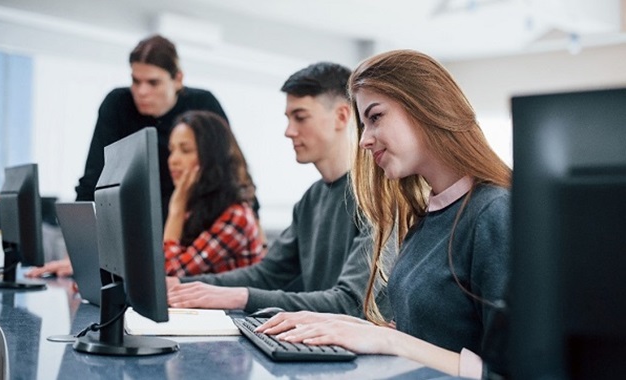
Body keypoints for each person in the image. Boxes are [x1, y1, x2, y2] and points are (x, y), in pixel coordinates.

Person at [254, 50, 512, 379]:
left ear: (425, 107)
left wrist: (388, 340)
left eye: (375, 117)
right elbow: (423, 337)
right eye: (363, 124)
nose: (364, 140)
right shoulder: (427, 216)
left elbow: (510, 373)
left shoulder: (494, 213)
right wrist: (338, 324)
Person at [26, 34, 259, 278]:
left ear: (177, 79)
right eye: (135, 81)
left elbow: (232, 164)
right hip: (141, 228)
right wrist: (81, 254)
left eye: (153, 82)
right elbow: (94, 178)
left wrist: (253, 221)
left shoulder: (202, 105)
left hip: (191, 220)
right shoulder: (118, 104)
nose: (142, 91)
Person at [166, 62, 388, 317]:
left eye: (301, 117)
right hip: (320, 341)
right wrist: (182, 286)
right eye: (288, 119)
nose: (289, 131)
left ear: (341, 116)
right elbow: (268, 274)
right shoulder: (311, 200)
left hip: (362, 353)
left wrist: (240, 297)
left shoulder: (377, 196)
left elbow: (350, 303)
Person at [164, 110, 265, 276]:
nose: (173, 160)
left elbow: (171, 274)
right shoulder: (197, 208)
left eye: (185, 150)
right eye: (172, 150)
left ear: (210, 156)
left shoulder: (236, 216)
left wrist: (176, 209)